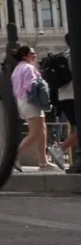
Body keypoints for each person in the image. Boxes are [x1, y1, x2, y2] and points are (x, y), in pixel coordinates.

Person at [12, 45, 60, 172]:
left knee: (42, 130)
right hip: (31, 101)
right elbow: (31, 86)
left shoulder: (17, 69)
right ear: (24, 56)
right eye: (32, 53)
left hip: (22, 101)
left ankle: (43, 162)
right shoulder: (28, 68)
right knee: (36, 132)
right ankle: (13, 157)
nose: (35, 55)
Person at [48, 34, 76, 170]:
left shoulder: (65, 56)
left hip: (64, 97)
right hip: (73, 96)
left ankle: (60, 149)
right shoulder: (73, 56)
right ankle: (60, 149)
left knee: (75, 129)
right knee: (77, 129)